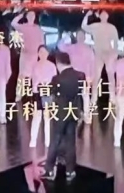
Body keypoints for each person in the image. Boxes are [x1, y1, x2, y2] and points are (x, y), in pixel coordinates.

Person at [42, 51, 83, 182]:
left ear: (58, 63)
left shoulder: (57, 79)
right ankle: (70, 171)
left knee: (55, 141)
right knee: (71, 142)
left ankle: (49, 170)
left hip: (59, 114)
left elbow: (47, 93)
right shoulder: (80, 76)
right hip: (73, 113)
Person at [82, 10, 119, 105]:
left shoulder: (112, 27)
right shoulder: (95, 26)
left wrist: (115, 54)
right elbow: (84, 27)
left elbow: (115, 41)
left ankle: (112, 97)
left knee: (110, 75)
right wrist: (87, 16)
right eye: (102, 14)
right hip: (98, 53)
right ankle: (94, 98)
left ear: (108, 16)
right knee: (96, 76)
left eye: (105, 14)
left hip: (109, 53)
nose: (104, 16)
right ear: (99, 16)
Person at [58, 30, 95, 122]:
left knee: (85, 96)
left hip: (84, 77)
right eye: (78, 35)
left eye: (82, 35)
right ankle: (76, 116)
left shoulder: (89, 50)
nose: (80, 37)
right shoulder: (71, 48)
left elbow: (93, 65)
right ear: (76, 37)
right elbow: (60, 45)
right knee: (74, 97)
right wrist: (67, 36)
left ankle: (86, 116)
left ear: (85, 37)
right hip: (73, 76)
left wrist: (91, 77)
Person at [11, 10, 45, 102]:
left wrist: (41, 54)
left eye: (33, 15)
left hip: (35, 55)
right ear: (26, 17)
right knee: (22, 75)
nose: (31, 16)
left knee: (34, 74)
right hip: (25, 55)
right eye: (29, 15)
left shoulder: (38, 29)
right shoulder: (23, 27)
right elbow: (13, 23)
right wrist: (21, 14)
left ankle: (34, 94)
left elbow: (42, 42)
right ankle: (18, 95)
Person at [29, 45, 57, 148]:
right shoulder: (35, 66)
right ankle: (33, 139)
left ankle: (48, 141)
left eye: (44, 52)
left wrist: (46, 84)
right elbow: (33, 81)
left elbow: (54, 80)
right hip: (37, 93)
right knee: (36, 116)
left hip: (47, 92)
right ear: (38, 54)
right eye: (40, 52)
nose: (42, 54)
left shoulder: (52, 66)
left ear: (48, 54)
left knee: (47, 117)